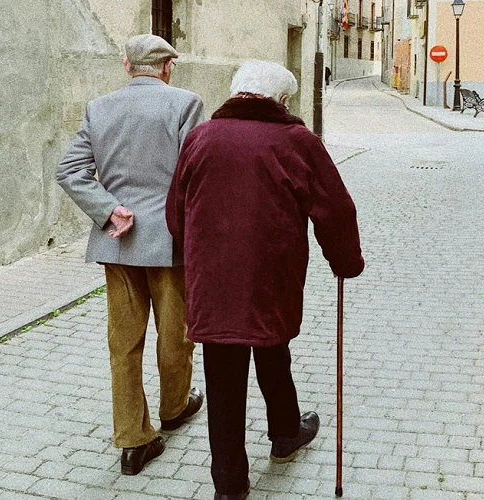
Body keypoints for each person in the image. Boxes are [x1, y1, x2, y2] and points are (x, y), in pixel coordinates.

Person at [165, 60, 365, 500]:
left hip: (214, 280)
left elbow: (175, 212)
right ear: (283, 100)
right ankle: (285, 435)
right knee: (273, 349)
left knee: (222, 376)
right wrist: (346, 261)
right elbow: (336, 209)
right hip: (271, 275)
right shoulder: (296, 140)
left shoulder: (200, 138)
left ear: (236, 94)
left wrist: (199, 248)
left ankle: (231, 484)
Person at [56, 34, 205, 476]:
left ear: (126, 65)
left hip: (118, 241)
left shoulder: (99, 107)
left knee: (123, 343)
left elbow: (69, 171)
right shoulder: (186, 103)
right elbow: (194, 173)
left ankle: (133, 440)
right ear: (167, 67)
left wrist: (109, 209)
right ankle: (174, 407)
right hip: (170, 242)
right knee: (174, 333)